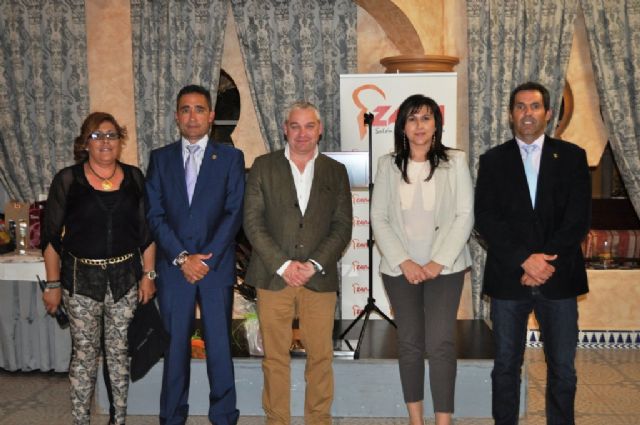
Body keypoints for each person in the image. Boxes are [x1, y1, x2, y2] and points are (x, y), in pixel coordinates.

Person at [474, 81, 591, 425]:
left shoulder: (573, 157)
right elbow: (486, 218)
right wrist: (524, 260)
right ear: (511, 115)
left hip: (559, 277)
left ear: (548, 113)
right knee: (506, 366)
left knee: (563, 369)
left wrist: (543, 261)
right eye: (520, 107)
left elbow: (578, 219)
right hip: (509, 278)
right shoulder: (493, 160)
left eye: (535, 106)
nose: (528, 113)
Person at [41, 111, 157, 425]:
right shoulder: (68, 180)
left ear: (120, 141)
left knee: (118, 353)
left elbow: (147, 233)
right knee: (84, 354)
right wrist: (53, 285)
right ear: (85, 143)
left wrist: (149, 275)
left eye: (111, 135)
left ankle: (118, 419)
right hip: (80, 281)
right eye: (97, 135)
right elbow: (51, 238)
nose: (105, 141)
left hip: (124, 279)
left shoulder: (134, 178)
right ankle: (81, 420)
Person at [243, 101, 352, 425]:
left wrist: (314, 263)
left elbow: (342, 226)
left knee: (321, 357)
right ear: (285, 129)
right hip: (273, 276)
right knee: (274, 358)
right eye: (295, 126)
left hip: (319, 278)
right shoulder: (263, 166)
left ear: (320, 130)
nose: (302, 133)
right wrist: (283, 265)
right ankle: (277, 420)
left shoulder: (336, 171)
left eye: (309, 126)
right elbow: (252, 221)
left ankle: (318, 420)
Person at [370, 94, 473, 425]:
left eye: (426, 118)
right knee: (410, 344)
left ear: (436, 125)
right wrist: (405, 262)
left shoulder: (455, 161)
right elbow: (378, 217)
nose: (419, 125)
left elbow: (465, 215)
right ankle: (416, 420)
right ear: (402, 126)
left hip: (446, 268)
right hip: (399, 270)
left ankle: (443, 420)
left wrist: (437, 262)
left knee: (441, 342)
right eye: (412, 119)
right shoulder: (387, 164)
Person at [145, 84, 244, 425]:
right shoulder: (160, 159)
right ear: (176, 116)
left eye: (199, 109)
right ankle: (172, 417)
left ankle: (224, 416)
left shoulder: (231, 158)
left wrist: (205, 260)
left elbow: (234, 213)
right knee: (175, 349)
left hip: (215, 268)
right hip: (175, 269)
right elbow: (154, 214)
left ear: (211, 115)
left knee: (219, 348)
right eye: (185, 109)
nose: (192, 116)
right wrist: (182, 258)